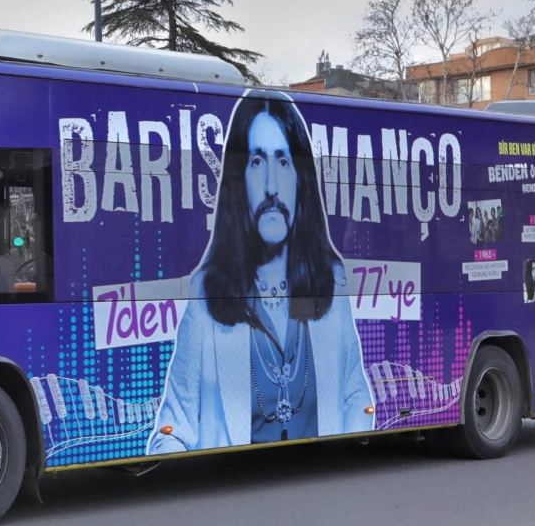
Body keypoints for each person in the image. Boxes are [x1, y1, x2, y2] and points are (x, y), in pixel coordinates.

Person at [148, 92, 373, 454]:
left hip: (320, 479)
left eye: (283, 161)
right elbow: (169, 435)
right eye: (256, 161)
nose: (271, 186)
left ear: (301, 180)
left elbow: (354, 396)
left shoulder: (331, 281)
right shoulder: (206, 297)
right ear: (238, 182)